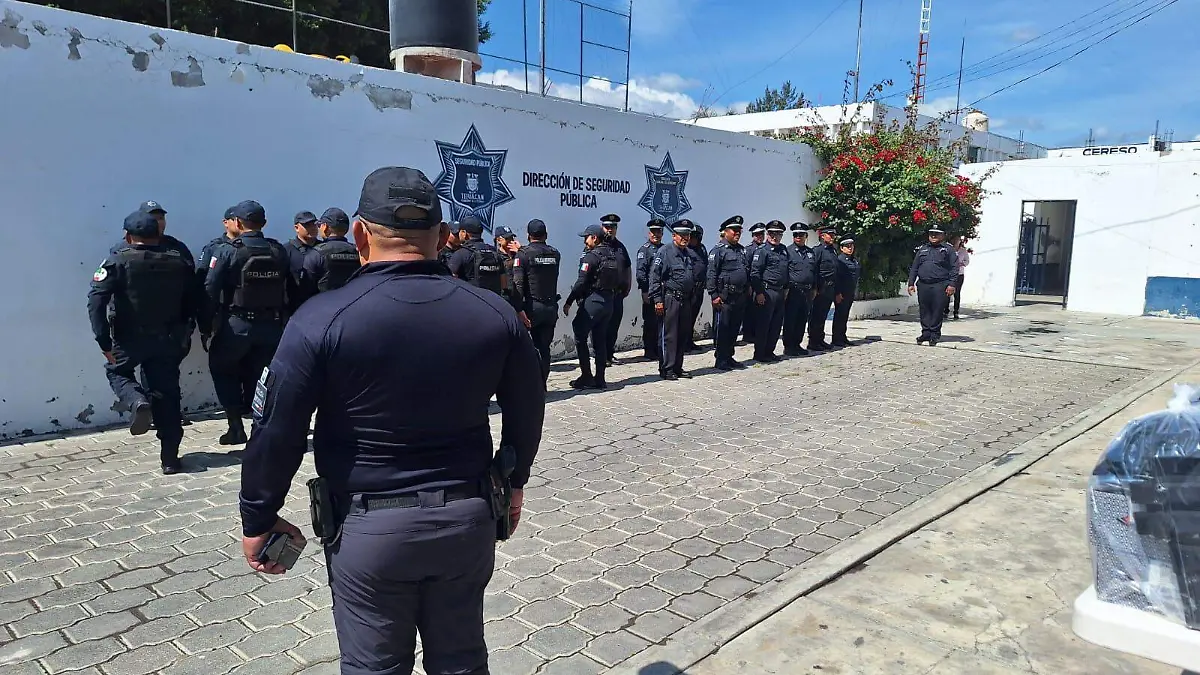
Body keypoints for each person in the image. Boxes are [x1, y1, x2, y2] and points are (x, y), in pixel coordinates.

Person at [237, 166, 544, 675]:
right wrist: (514, 484)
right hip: (466, 521)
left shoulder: (320, 318)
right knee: (463, 662)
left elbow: (277, 430)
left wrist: (258, 516)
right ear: (444, 237)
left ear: (360, 233)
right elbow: (527, 408)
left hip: (368, 532)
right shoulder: (494, 313)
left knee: (374, 668)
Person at [88, 210, 198, 474]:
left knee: (117, 372)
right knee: (168, 397)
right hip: (168, 339)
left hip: (129, 339)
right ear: (158, 233)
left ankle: (136, 400)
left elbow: (96, 300)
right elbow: (194, 297)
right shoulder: (178, 259)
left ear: (128, 236)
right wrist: (187, 331)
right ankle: (170, 460)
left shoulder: (118, 260)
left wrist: (103, 341)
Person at [202, 200, 296, 445]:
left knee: (223, 370)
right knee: (263, 377)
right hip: (272, 326)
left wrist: (206, 323)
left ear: (237, 222)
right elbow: (291, 284)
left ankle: (235, 427)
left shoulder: (229, 250)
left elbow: (210, 288)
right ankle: (262, 428)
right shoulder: (278, 250)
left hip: (237, 325)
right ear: (263, 223)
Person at [563, 223, 620, 390]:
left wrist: (569, 301)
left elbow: (581, 282)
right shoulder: (612, 255)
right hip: (608, 301)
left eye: (586, 238)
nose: (585, 242)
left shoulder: (591, 257)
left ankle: (586, 376)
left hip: (593, 301)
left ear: (594, 238)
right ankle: (600, 379)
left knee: (579, 333)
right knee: (600, 339)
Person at [512, 219, 561, 386]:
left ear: (528, 235)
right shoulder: (555, 253)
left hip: (531, 308)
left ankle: (530, 386)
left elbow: (518, 284)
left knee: (526, 349)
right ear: (546, 235)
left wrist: (518, 309)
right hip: (550, 307)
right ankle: (542, 384)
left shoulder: (523, 254)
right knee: (544, 348)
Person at [649, 220, 697, 380]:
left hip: (685, 300)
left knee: (683, 334)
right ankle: (666, 368)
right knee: (669, 335)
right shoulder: (665, 252)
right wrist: (657, 299)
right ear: (674, 235)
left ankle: (678, 366)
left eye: (687, 235)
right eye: (682, 235)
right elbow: (654, 277)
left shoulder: (688, 254)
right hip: (670, 299)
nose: (685, 238)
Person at [706, 216, 750, 371]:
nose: (738, 233)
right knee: (722, 329)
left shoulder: (741, 250)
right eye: (734, 230)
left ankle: (729, 356)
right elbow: (711, 274)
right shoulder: (718, 251)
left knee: (734, 329)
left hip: (739, 296)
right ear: (725, 232)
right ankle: (720, 359)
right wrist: (713, 295)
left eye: (740, 231)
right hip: (724, 297)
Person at [908, 225, 958, 346]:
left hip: (940, 285)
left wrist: (952, 284)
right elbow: (915, 267)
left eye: (936, 233)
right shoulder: (922, 249)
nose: (933, 236)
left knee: (937, 310)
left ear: (943, 235)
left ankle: (934, 334)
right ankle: (926, 332)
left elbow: (954, 268)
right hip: (923, 284)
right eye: (931, 233)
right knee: (924, 309)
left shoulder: (948, 250)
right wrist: (911, 283)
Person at [750, 220, 790, 362]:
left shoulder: (783, 250)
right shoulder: (762, 251)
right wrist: (759, 292)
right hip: (767, 292)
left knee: (776, 325)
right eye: (772, 233)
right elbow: (755, 274)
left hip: (780, 292)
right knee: (764, 325)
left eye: (778, 234)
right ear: (768, 234)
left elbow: (786, 271)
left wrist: (786, 289)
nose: (775, 237)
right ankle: (760, 353)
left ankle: (770, 351)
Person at [302, 207, 361, 298]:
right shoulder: (358, 252)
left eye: (319, 225)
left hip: (324, 307)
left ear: (325, 227)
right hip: (353, 306)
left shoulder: (316, 254)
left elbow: (305, 289)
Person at [600, 214, 633, 366]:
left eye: (613, 227)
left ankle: (610, 353)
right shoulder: (597, 245)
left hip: (617, 294)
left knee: (614, 325)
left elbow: (627, 266)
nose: (610, 230)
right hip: (602, 294)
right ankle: (601, 355)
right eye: (607, 227)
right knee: (602, 326)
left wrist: (628, 285)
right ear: (602, 228)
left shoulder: (620, 247)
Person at [447, 216, 506, 295]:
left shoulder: (460, 254)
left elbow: (450, 284)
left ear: (464, 233)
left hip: (470, 303)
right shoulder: (494, 252)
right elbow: (503, 284)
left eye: (460, 232)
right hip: (493, 302)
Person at [782, 222, 817, 357]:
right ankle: (789, 346)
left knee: (802, 319)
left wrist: (814, 287)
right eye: (796, 235)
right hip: (793, 290)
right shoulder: (788, 251)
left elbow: (813, 271)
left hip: (807, 291)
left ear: (806, 236)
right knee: (791, 319)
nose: (798, 237)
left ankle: (797, 344)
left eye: (801, 235)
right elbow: (784, 271)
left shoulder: (810, 252)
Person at [635, 219, 665, 362]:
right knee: (650, 322)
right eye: (653, 232)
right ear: (649, 233)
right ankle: (649, 350)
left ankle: (659, 348)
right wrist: (645, 291)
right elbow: (641, 273)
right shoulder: (644, 250)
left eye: (658, 232)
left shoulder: (665, 249)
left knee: (661, 322)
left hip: (663, 292)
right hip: (650, 292)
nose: (656, 235)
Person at [807, 225, 838, 351]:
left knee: (823, 315)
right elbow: (814, 270)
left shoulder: (833, 250)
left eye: (833, 235)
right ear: (822, 236)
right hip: (821, 288)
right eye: (829, 235)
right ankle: (813, 342)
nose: (832, 237)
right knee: (815, 316)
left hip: (830, 287)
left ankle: (820, 339)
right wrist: (815, 288)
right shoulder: (818, 250)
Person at [831, 237, 861, 347]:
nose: (850, 248)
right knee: (839, 315)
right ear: (842, 248)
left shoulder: (854, 259)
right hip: (841, 293)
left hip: (850, 291)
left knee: (844, 316)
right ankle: (836, 338)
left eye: (851, 246)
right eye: (847, 246)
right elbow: (837, 277)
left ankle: (842, 336)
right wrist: (837, 293)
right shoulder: (840, 260)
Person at [741, 222, 766, 344]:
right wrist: (749, 285)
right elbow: (747, 268)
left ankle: (757, 332)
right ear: (753, 236)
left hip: (763, 284)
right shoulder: (749, 249)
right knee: (750, 311)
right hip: (752, 284)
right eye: (757, 235)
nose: (760, 237)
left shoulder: (766, 248)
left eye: (762, 234)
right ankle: (748, 334)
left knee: (760, 310)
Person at [494, 226, 527, 319]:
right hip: (506, 299)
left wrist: (520, 251)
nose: (510, 241)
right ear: (498, 240)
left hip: (522, 300)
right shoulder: (497, 257)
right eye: (507, 238)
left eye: (512, 238)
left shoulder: (519, 254)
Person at [685, 224, 708, 352]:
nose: (693, 239)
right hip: (689, 289)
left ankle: (689, 341)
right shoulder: (685, 249)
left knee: (693, 316)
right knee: (685, 317)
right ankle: (683, 342)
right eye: (691, 236)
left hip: (699, 288)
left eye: (696, 237)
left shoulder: (702, 248)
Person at [287, 211, 320, 290]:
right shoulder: (287, 250)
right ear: (296, 228)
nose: (312, 227)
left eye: (314, 224)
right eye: (307, 225)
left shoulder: (324, 248)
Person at [946, 235, 970, 320]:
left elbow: (967, 261)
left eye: (958, 240)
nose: (957, 241)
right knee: (947, 292)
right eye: (955, 239)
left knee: (957, 293)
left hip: (959, 274)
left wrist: (961, 264)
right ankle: (946, 310)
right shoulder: (949, 249)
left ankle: (956, 311)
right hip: (949, 273)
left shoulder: (963, 251)